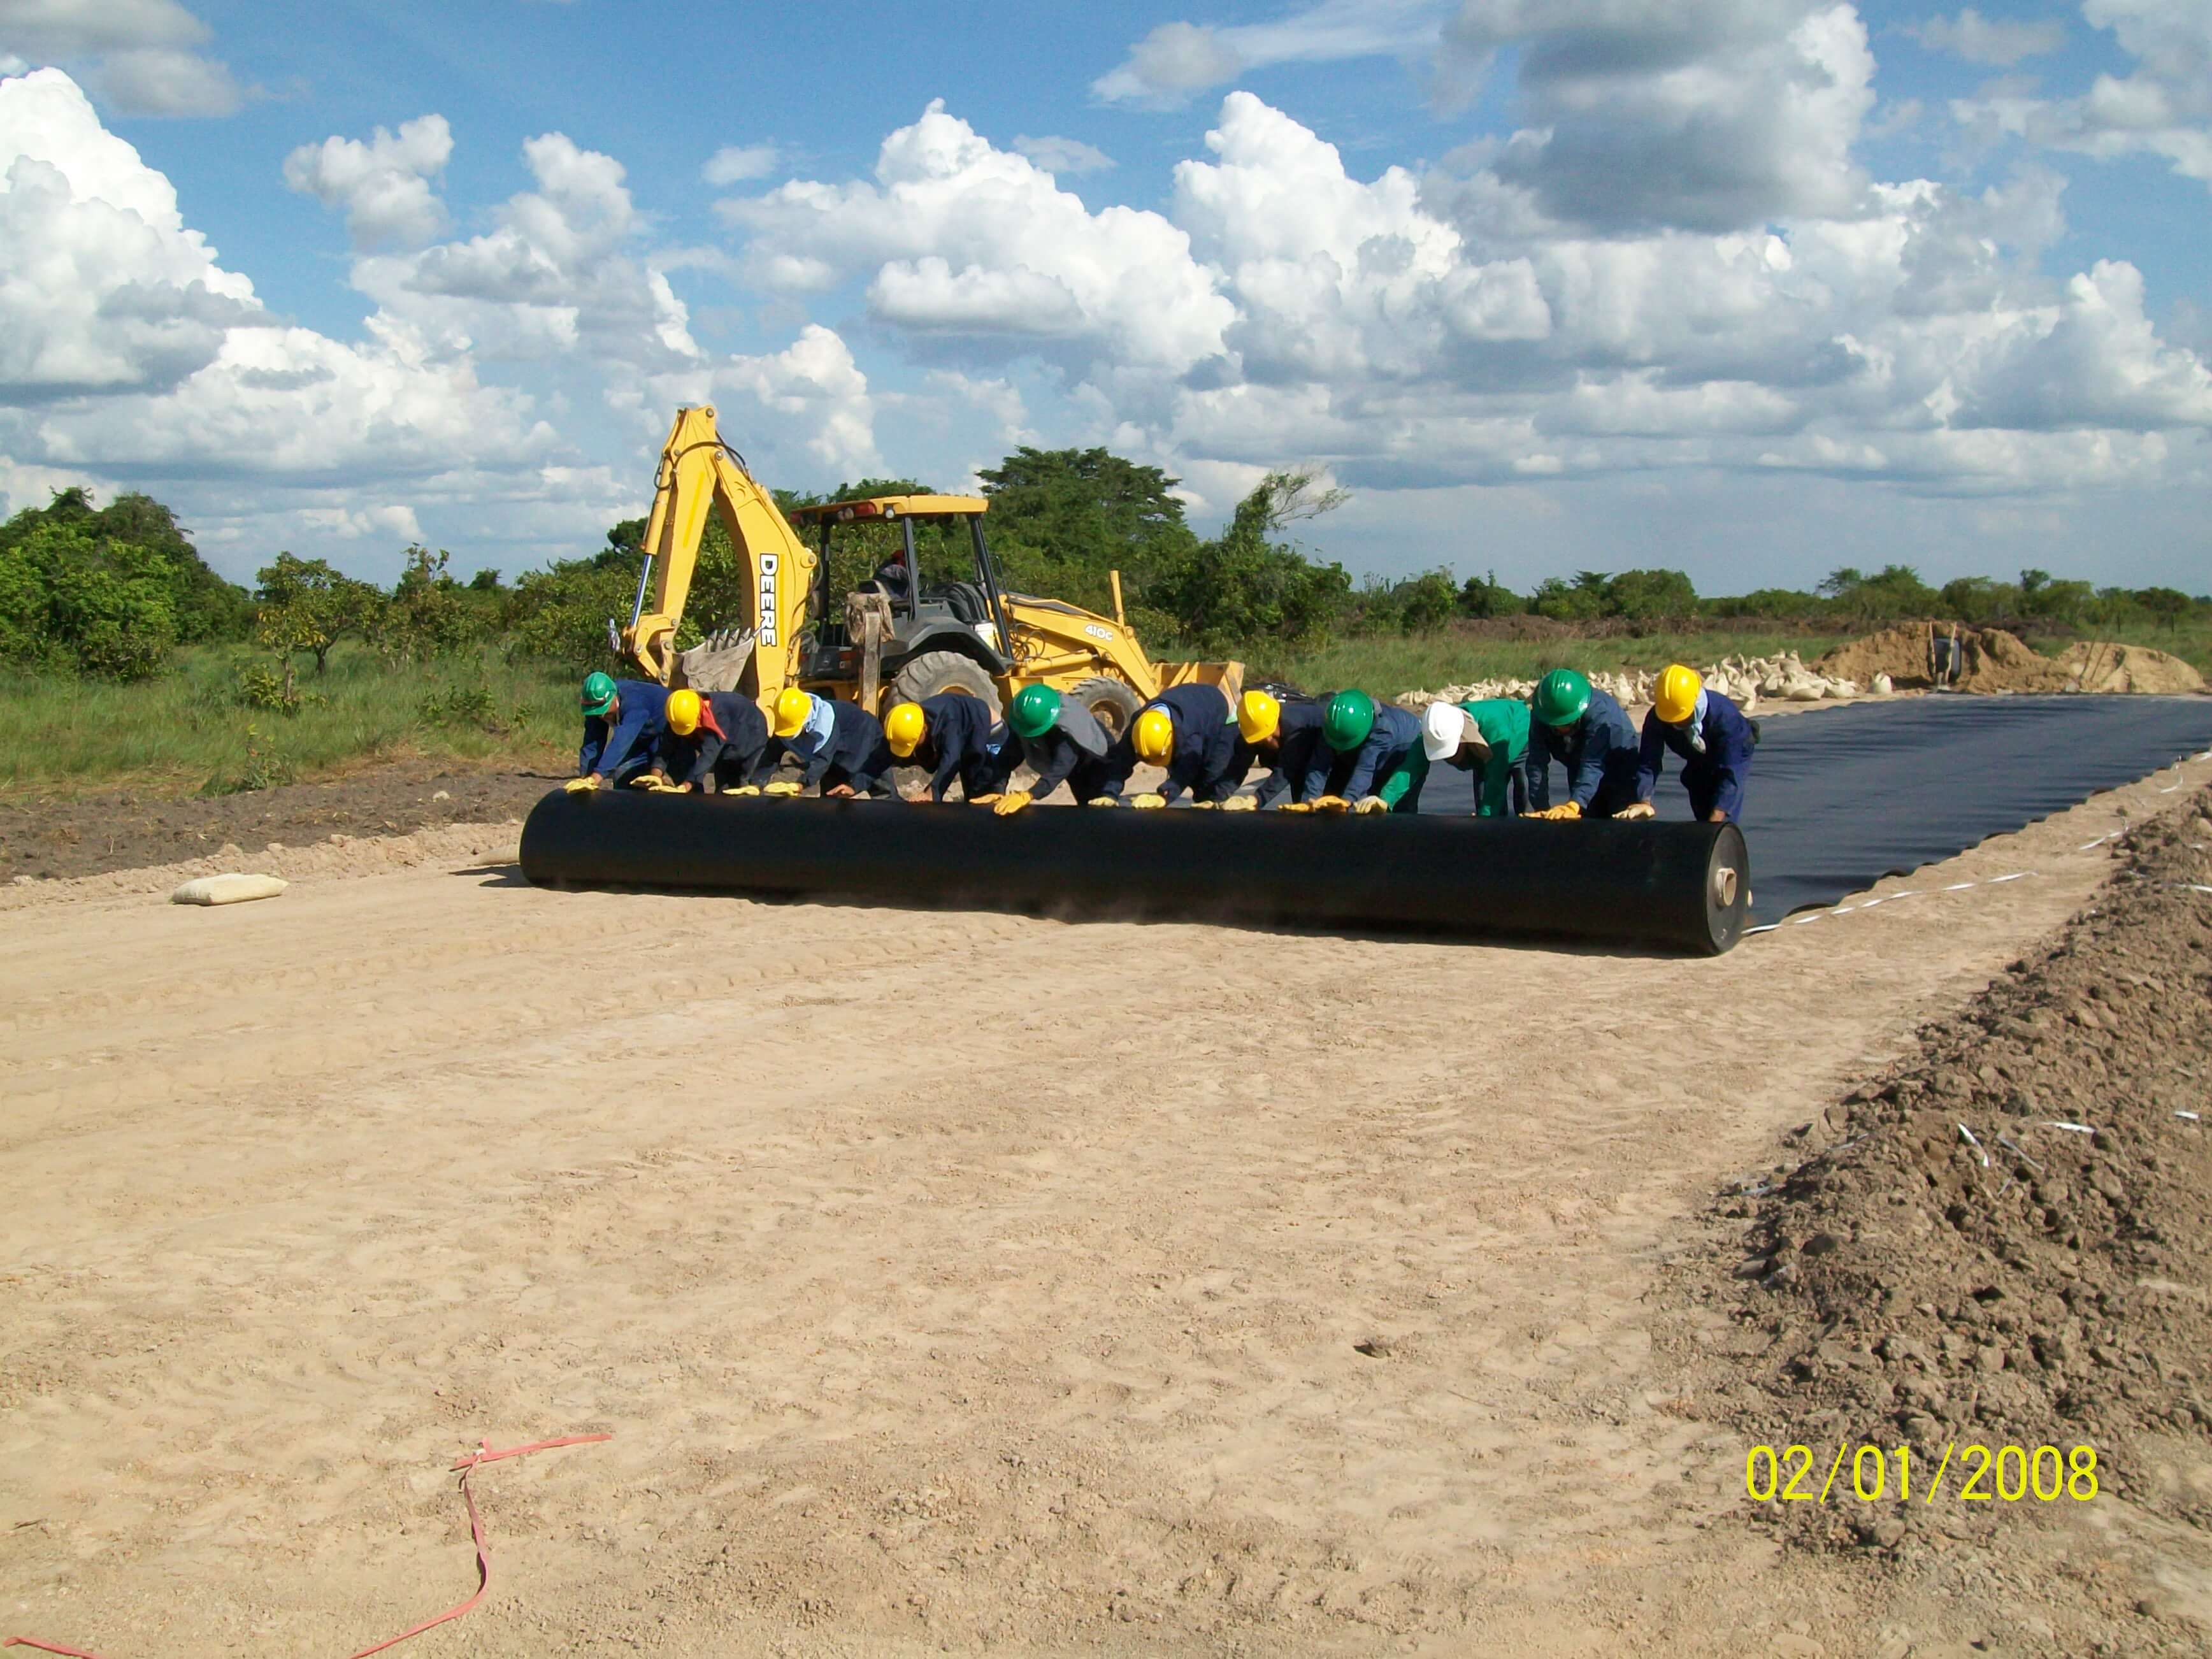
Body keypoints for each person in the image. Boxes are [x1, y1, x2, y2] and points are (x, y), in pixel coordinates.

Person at [1620, 663, 1757, 824]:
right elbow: (1648, 762)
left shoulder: (1725, 718)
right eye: (1672, 720)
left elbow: (1731, 775)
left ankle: (1722, 837)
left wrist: (1718, 820)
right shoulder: (1659, 716)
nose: (1676, 724)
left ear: (1694, 702)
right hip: (1698, 755)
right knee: (1696, 781)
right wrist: (1644, 801)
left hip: (1734, 750)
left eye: (1681, 718)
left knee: (1722, 805)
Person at [1523, 668, 1642, 820]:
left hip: (1618, 760)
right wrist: (1541, 808)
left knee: (1618, 815)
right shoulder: (1544, 712)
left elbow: (1593, 763)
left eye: (1566, 723)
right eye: (1555, 724)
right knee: (1584, 816)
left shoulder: (1600, 714)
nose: (1560, 729)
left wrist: (1575, 803)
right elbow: (1537, 763)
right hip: (1578, 760)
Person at [986, 684, 1123, 814]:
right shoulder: (1024, 716)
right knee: (1083, 806)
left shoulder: (1067, 728)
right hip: (1071, 759)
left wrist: (1030, 794)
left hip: (1095, 758)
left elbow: (1062, 766)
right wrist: (997, 789)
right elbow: (1009, 756)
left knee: (1096, 806)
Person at [1126, 683, 1244, 808]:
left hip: (1224, 715)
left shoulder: (1188, 733)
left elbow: (1188, 767)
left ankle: (1214, 818)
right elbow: (1120, 757)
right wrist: (1109, 793)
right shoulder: (1140, 725)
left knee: (1211, 783)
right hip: (1196, 711)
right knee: (1197, 785)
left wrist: (1165, 795)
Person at [768, 687, 898, 799]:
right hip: (838, 752)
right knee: (833, 800)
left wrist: (801, 784)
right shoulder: (791, 719)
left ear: (805, 719)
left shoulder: (824, 724)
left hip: (868, 742)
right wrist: (757, 783)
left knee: (884, 795)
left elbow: (823, 760)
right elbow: (772, 750)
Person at [884, 693, 1017, 803]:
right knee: (971, 792)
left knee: (986, 789)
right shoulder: (917, 718)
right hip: (968, 736)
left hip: (990, 734)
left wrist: (932, 793)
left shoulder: (949, 721)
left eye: (915, 744)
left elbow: (952, 759)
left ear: (923, 729)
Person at [640, 687, 773, 794]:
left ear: (698, 716)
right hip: (726, 751)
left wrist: (686, 786)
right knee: (724, 794)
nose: (686, 736)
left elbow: (708, 754)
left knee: (746, 790)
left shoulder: (718, 715)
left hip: (752, 740)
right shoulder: (680, 714)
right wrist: (655, 776)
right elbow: (666, 747)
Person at [1315, 689, 1425, 815]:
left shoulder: (1383, 730)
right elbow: (1319, 766)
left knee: (1391, 808)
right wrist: (1309, 803)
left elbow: (1365, 769)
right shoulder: (1335, 723)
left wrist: (1347, 803)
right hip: (1370, 745)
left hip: (1404, 751)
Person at [1420, 697, 1531, 817]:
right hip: (1486, 748)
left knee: (1524, 791)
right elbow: (1409, 770)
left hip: (1520, 736)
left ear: (1462, 739)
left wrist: (1485, 818)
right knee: (1485, 801)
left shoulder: (1494, 732)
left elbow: (1496, 781)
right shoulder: (1433, 731)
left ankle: (1531, 829)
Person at [568, 671, 670, 792]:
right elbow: (591, 744)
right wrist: (585, 780)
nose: (601, 716)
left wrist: (597, 777)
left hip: (670, 736)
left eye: (604, 711)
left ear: (613, 697)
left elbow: (621, 742)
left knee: (684, 781)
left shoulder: (634, 702)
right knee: (622, 776)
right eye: (597, 713)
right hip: (642, 738)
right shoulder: (594, 706)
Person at [1233, 689, 1328, 810]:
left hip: (1327, 757)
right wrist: (1215, 800)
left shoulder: (1298, 726)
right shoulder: (1253, 731)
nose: (1268, 740)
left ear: (1276, 718)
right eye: (1262, 738)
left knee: (1323, 806)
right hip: (1298, 763)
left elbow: (1285, 771)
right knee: (1301, 808)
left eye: (1271, 734)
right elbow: (1236, 768)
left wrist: (1256, 800)